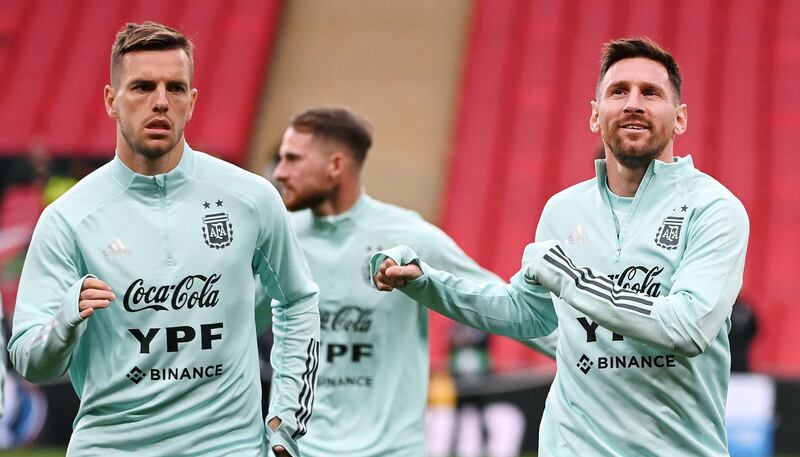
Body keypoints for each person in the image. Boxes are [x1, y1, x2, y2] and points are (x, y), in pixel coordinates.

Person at [373, 37, 749, 456]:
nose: (633, 103)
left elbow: (687, 327)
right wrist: (427, 283)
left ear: (679, 119)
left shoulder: (714, 209)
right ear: (595, 115)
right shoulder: (563, 209)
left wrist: (573, 280)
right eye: (618, 91)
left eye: (651, 93)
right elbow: (527, 312)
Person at [7, 22, 319, 457]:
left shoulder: (251, 199)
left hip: (229, 447)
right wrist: (65, 321)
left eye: (175, 88)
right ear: (111, 100)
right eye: (141, 87)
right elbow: (30, 361)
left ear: (191, 102)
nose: (160, 102)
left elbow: (298, 300)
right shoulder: (68, 218)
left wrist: (286, 417)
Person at [270, 107, 555, 457]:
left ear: (335, 165)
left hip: (391, 451)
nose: (280, 172)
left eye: (292, 159)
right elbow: (229, 320)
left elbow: (506, 307)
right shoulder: (279, 240)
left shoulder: (409, 236)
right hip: (302, 450)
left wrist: (598, 358)